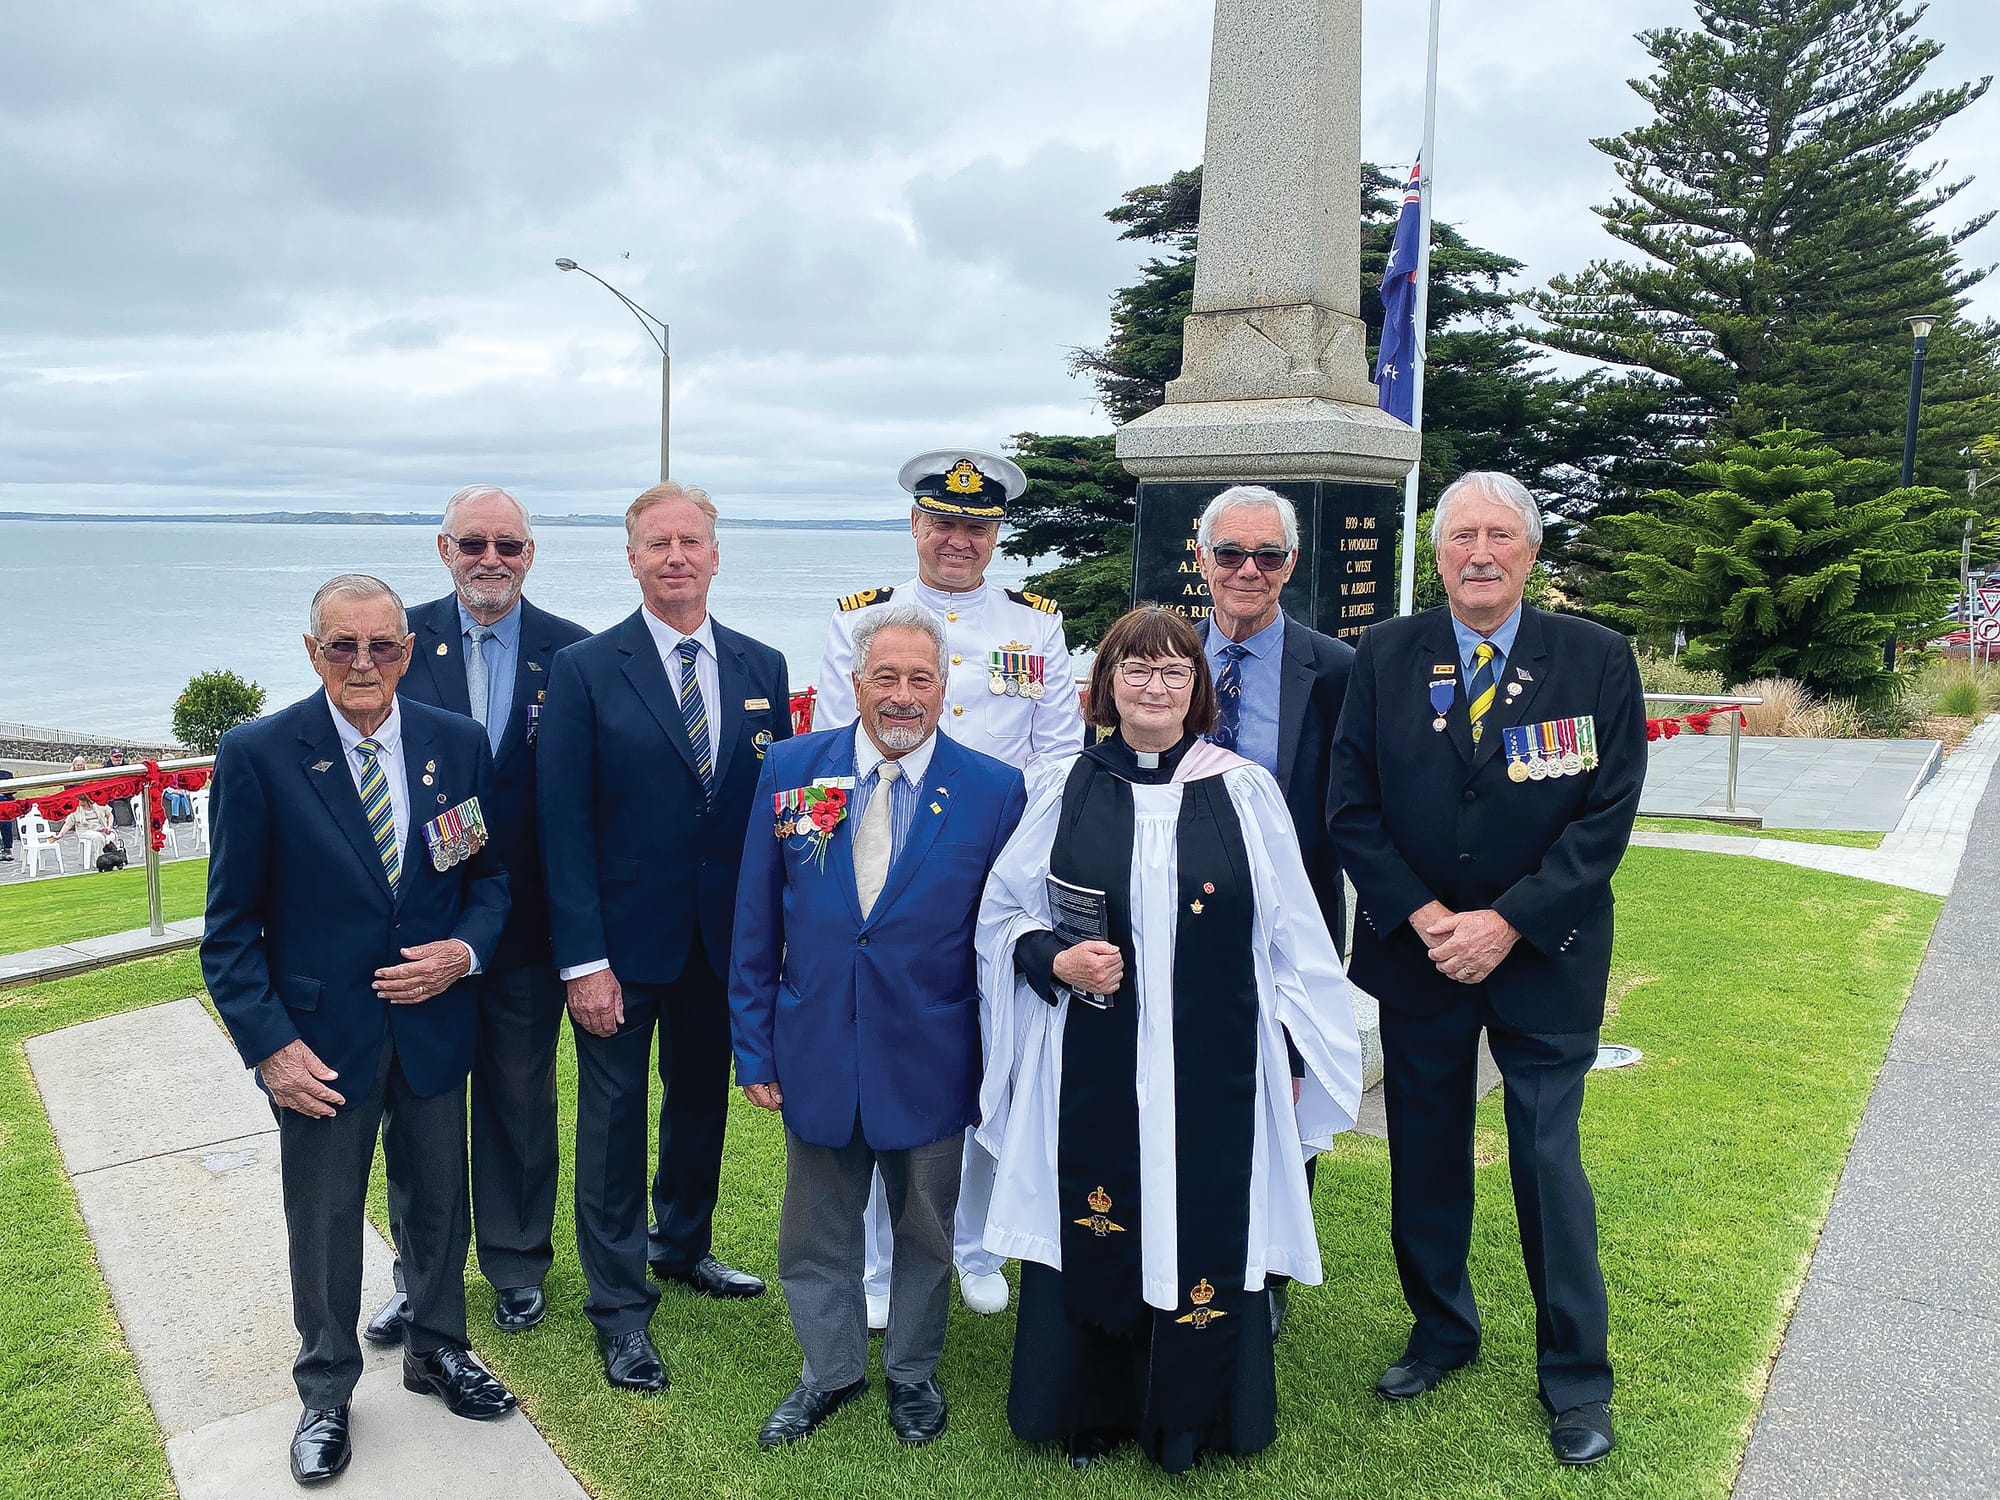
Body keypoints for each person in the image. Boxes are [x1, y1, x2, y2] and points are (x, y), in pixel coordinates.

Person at [976, 605, 1364, 1473]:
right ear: (1106, 684)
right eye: (1137, 669)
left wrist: (1295, 1048)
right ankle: (1092, 1410)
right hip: (1093, 1059)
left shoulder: (1243, 792)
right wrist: (1054, 957)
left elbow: (1295, 938)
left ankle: (1197, 1414)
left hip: (1215, 1064)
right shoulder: (1065, 786)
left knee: (1197, 1216)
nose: (1155, 687)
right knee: (1101, 1213)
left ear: (1198, 689)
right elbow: (1002, 915)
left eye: (1175, 671)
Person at [1327, 471, 1646, 1468]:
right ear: (1435, 555)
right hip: (1420, 956)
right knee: (1423, 1152)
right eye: (1459, 535)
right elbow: (1351, 807)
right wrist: (1429, 920)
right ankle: (1440, 1332)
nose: (1478, 553)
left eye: (1499, 535)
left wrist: (1505, 924)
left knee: (1545, 1164)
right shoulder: (1385, 654)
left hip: (1543, 956)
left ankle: (1576, 1377)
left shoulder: (1595, 658)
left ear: (1531, 552)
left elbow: (1605, 816)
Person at [200, 574, 517, 1487]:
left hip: (432, 1025)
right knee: (326, 1218)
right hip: (319, 1045)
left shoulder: (456, 744)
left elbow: (488, 880)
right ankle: (327, 1390)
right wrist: (271, 1049)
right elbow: (229, 932)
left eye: (382, 645)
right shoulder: (258, 754)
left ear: (408, 652)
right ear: (314, 652)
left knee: (438, 1203)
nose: (364, 663)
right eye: (343, 645)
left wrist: (464, 951)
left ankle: (438, 1350)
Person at [731, 605, 1026, 1449]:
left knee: (925, 1229)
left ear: (944, 687)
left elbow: (1002, 933)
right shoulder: (794, 768)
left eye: (920, 678)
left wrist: (998, 1061)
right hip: (816, 1043)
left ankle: (912, 1372)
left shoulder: (993, 789)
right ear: (856, 683)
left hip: (932, 1051)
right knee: (815, 1229)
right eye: (886, 677)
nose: (903, 695)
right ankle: (827, 1371)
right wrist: (754, 1045)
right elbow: (756, 916)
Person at [815, 447, 1083, 1325]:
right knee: (886, 1062)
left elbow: (1057, 758)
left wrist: (1023, 867)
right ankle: (881, 1263)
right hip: (893, 875)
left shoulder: (1035, 626)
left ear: (995, 533)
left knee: (991, 1057)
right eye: (942, 522)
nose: (958, 539)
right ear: (915, 525)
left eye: (976, 525)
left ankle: (974, 1245)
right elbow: (837, 749)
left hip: (1000, 876)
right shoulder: (864, 618)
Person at [539, 481, 793, 1394]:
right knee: (612, 1125)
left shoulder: (763, 666)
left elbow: (774, 811)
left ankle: (682, 1244)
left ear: (716, 555)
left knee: (699, 1103)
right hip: (619, 947)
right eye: (658, 544)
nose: (676, 556)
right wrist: (584, 962)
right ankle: (618, 1306)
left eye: (691, 541)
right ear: (633, 559)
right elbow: (562, 824)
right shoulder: (584, 669)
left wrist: (777, 936)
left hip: (721, 943)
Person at [361, 486, 590, 1348]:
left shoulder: (573, 654)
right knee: (417, 1110)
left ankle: (517, 1261)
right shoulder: (395, 642)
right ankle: (420, 1275)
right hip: (416, 928)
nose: (490, 560)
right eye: (472, 544)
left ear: (530, 553)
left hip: (525, 925)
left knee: (519, 1101)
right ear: (443, 549)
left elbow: (580, 799)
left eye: (508, 545)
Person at [1193, 483, 1357, 1337]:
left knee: (1288, 1091)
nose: (1247, 570)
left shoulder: (1337, 670)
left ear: (1291, 564)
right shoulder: (1163, 658)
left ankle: (1273, 1268)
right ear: (1202, 560)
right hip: (1174, 921)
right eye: (1230, 553)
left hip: (1292, 927)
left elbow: (1359, 805)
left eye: (1267, 555)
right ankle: (1187, 1244)